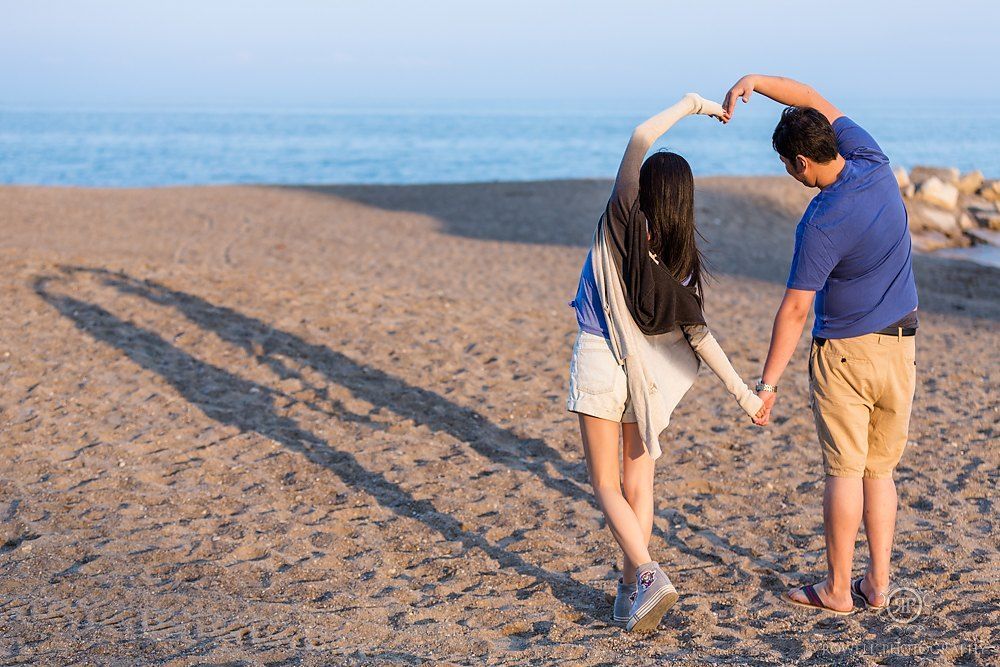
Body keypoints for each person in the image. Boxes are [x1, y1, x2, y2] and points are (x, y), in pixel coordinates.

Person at [566, 92, 765, 632]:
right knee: (640, 487)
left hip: (600, 360)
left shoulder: (620, 222)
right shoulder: (676, 269)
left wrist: (692, 105)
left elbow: (639, 137)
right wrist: (747, 397)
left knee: (606, 485)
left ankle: (649, 574)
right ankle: (630, 589)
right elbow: (703, 340)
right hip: (646, 379)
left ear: (643, 193)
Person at [722, 74, 919, 615]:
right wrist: (757, 82)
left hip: (847, 356)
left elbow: (795, 307)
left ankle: (837, 589)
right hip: (902, 347)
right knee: (880, 473)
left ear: (803, 164)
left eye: (789, 167)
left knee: (844, 473)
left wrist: (766, 385)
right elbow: (811, 98)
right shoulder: (872, 160)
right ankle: (878, 585)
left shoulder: (821, 222)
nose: (790, 176)